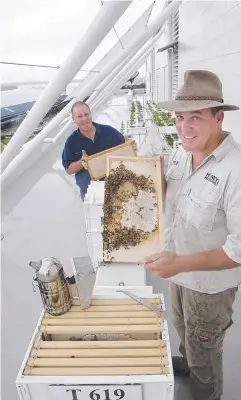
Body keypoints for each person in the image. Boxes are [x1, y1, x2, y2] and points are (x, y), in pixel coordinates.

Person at [145, 70, 241, 400]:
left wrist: (180, 263)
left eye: (196, 117)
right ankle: (187, 363)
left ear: (218, 117)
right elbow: (168, 193)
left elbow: (238, 251)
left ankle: (205, 391)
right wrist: (149, 175)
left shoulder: (236, 170)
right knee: (183, 329)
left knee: (206, 350)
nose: (184, 127)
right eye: (180, 117)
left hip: (209, 288)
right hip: (179, 274)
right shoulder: (180, 154)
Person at [62, 101, 125, 200]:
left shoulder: (108, 131)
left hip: (116, 187)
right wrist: (82, 162)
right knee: (95, 215)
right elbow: (69, 169)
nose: (84, 119)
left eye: (86, 114)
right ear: (74, 120)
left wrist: (132, 145)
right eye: (79, 116)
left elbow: (125, 146)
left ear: (91, 114)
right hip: (91, 194)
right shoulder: (71, 142)